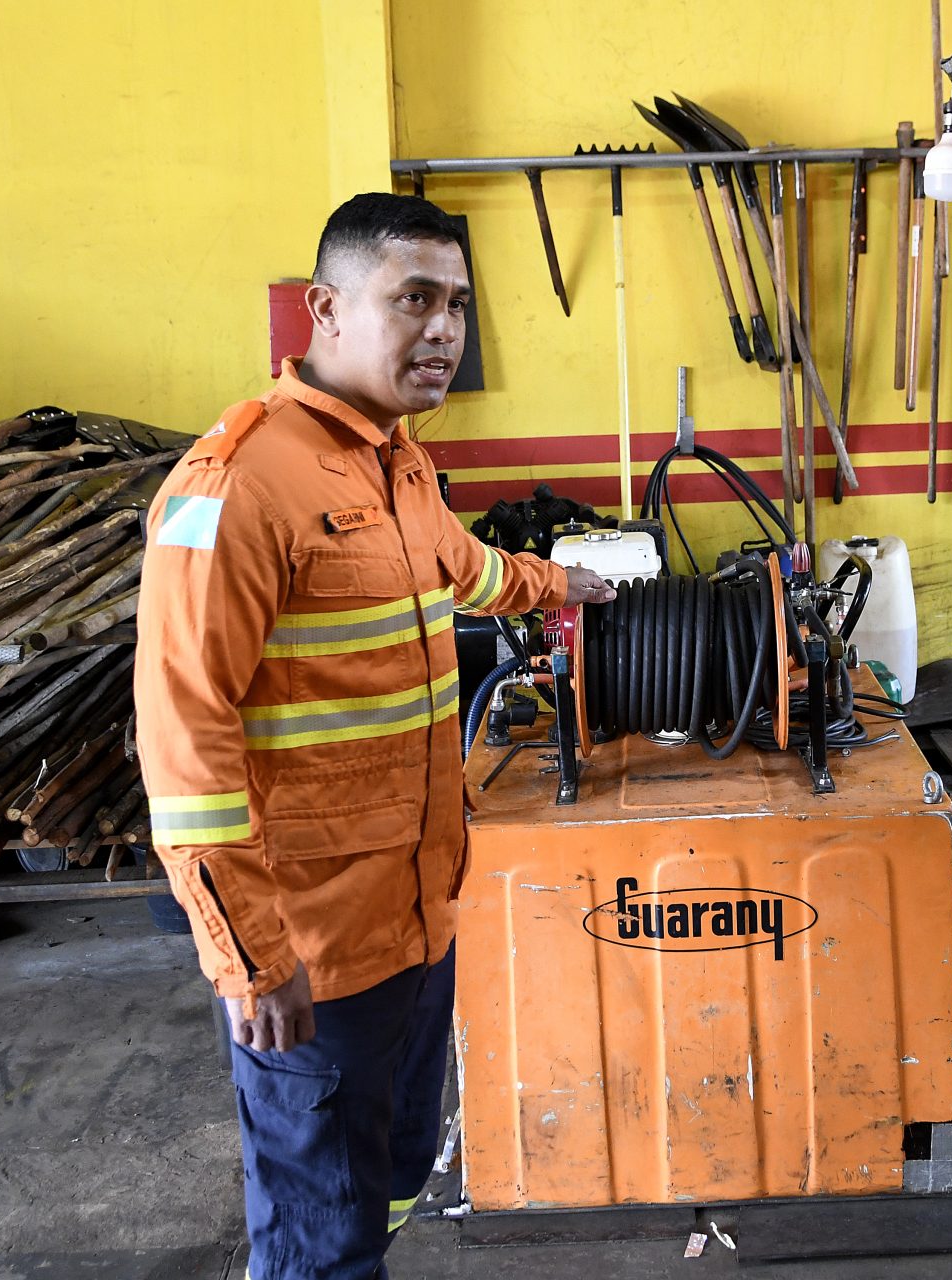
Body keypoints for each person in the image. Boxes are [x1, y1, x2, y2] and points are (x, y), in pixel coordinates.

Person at [134, 193, 616, 1280]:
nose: (443, 329)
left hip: (416, 914)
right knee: (319, 1226)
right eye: (414, 299)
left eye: (456, 305)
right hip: (309, 947)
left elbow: (461, 567)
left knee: (394, 1171)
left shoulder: (397, 466)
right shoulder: (236, 486)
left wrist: (555, 584)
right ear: (325, 308)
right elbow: (183, 734)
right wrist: (247, 953)